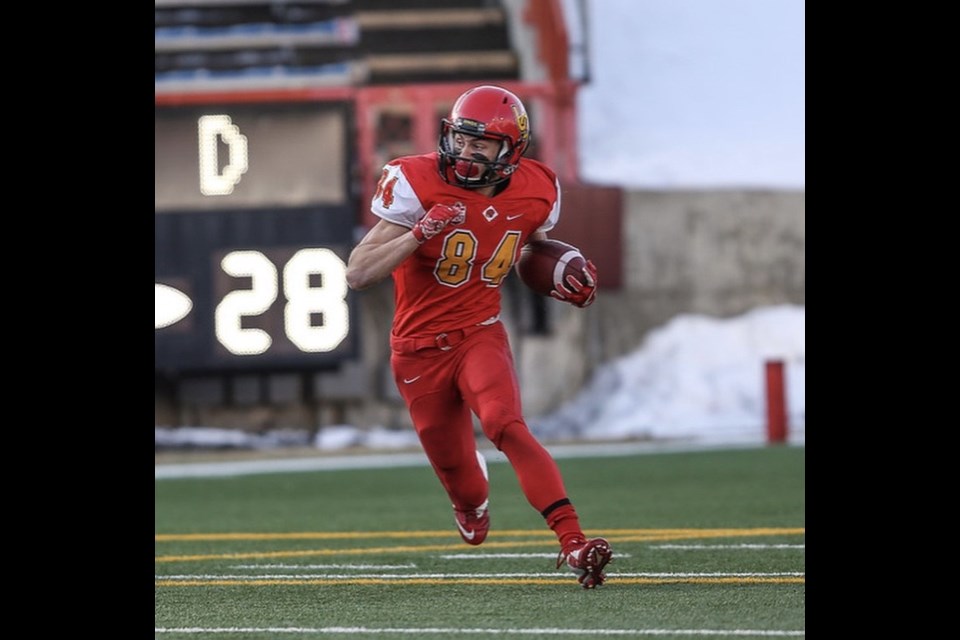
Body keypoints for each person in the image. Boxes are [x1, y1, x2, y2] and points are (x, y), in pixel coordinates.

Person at [345, 85, 613, 588]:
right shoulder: (414, 180)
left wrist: (565, 275)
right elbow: (358, 273)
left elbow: (529, 249)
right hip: (418, 350)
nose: (466, 152)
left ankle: (573, 543)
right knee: (461, 481)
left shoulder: (539, 189)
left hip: (479, 334)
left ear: (510, 151)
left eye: (481, 144)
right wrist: (419, 232)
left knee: (505, 424)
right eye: (461, 140)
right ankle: (470, 500)